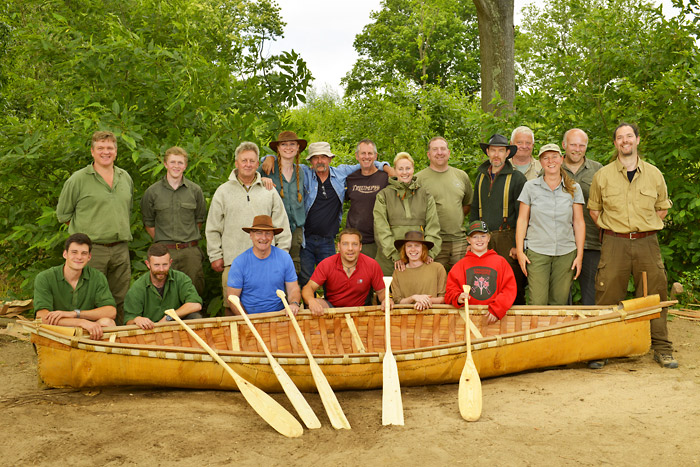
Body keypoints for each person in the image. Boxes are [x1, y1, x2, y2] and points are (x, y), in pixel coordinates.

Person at [588, 122, 677, 369]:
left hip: (647, 243)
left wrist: (643, 227)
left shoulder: (654, 174)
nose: (625, 141)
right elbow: (595, 211)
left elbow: (662, 208)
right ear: (615, 143)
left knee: (654, 295)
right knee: (607, 295)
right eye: (620, 137)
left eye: (629, 136)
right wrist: (616, 229)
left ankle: (661, 348)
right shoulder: (602, 176)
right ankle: (602, 349)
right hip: (614, 243)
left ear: (638, 140)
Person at [56, 130, 133, 324]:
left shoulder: (125, 178)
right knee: (88, 298)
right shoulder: (78, 179)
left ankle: (118, 341)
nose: (105, 152)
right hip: (91, 250)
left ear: (116, 151)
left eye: (110, 148)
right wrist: (86, 235)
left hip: (120, 249)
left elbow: (126, 210)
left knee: (121, 298)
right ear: (92, 151)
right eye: (100, 148)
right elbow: (64, 215)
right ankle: (87, 342)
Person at [206, 141, 291, 311]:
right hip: (233, 260)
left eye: (252, 161)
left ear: (257, 164)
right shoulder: (223, 191)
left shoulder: (269, 191)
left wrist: (282, 254)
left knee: (269, 306)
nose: (248, 164)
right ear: (236, 163)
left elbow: (282, 223)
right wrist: (215, 255)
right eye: (244, 160)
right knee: (233, 308)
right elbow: (213, 226)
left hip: (267, 260)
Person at [515, 144, 585, 306]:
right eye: (545, 158)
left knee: (559, 302)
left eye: (554, 157)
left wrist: (579, 255)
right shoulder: (530, 187)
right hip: (537, 252)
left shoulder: (574, 188)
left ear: (561, 159)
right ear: (540, 162)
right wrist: (519, 251)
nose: (550, 161)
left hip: (566, 252)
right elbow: (522, 220)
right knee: (537, 302)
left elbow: (579, 222)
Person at [470, 133, 528, 305]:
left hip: (507, 238)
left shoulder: (517, 178)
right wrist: (472, 237)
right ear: (487, 152)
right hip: (482, 239)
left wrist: (518, 246)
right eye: (493, 150)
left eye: (501, 151)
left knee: (512, 284)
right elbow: (474, 209)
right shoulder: (480, 177)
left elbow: (522, 216)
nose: (496, 154)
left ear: (507, 153)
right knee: (485, 284)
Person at [141, 146, 207, 295]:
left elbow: (199, 220)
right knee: (164, 292)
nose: (176, 166)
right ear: (165, 164)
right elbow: (148, 223)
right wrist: (164, 243)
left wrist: (186, 238)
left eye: (180, 163)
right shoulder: (152, 192)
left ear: (185, 165)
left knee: (194, 291)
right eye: (172, 162)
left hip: (190, 252)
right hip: (164, 253)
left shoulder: (195, 191)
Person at [33, 233, 116, 339]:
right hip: (57, 331)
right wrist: (80, 322)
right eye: (74, 252)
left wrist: (75, 314)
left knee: (108, 322)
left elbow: (111, 311)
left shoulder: (97, 276)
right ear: (65, 254)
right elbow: (42, 317)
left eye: (84, 253)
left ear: (89, 257)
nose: (79, 257)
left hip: (86, 333)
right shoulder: (45, 277)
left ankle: (97, 354)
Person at [374, 151, 441, 275]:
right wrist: (395, 255)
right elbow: (380, 228)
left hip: (420, 258)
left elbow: (433, 227)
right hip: (390, 259)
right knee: (391, 293)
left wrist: (429, 253)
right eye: (400, 169)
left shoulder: (425, 195)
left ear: (413, 169)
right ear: (395, 170)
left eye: (408, 168)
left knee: (419, 291)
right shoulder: (383, 195)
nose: (405, 172)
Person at [415, 137, 473, 272]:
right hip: (434, 242)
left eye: (442, 149)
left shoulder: (461, 176)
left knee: (462, 282)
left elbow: (467, 204)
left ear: (449, 152)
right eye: (435, 149)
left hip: (459, 241)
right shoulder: (419, 179)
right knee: (435, 284)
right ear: (429, 155)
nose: (439, 152)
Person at [301, 228, 388, 316]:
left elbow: (381, 292)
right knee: (315, 302)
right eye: (345, 244)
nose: (350, 249)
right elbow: (308, 288)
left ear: (360, 246)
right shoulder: (326, 264)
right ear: (338, 246)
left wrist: (386, 299)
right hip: (332, 311)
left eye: (354, 244)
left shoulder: (372, 265)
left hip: (362, 311)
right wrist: (311, 301)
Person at [561, 129, 603, 305]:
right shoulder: (553, 167)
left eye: (581, 145)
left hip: (591, 242)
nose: (577, 149)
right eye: (573, 144)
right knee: (561, 295)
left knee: (591, 295)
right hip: (560, 242)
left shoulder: (598, 169)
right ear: (564, 145)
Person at [227, 216, 301, 316]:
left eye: (268, 233)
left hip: (279, 316)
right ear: (251, 235)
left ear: (273, 237)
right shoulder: (239, 262)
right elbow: (232, 298)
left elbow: (293, 288)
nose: (263, 238)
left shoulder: (284, 258)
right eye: (258, 233)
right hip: (249, 317)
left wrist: (294, 303)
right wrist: (248, 320)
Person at [445, 221, 517, 323]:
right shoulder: (460, 265)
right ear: (468, 240)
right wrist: (458, 297)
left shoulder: (500, 262)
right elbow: (450, 292)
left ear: (489, 238)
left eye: (483, 236)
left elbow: (509, 290)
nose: (479, 240)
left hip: (493, 318)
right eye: (475, 237)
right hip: (467, 319)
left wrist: (497, 309)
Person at [258, 131, 307, 275]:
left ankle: (292, 297)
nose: (288, 147)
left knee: (293, 266)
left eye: (292, 144)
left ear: (298, 147)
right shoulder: (268, 169)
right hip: (274, 227)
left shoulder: (301, 171)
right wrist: (261, 179)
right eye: (284, 144)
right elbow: (246, 179)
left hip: (296, 228)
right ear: (278, 148)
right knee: (272, 266)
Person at [124, 244, 203, 330]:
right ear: (148, 264)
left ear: (170, 263)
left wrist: (169, 317)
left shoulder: (181, 278)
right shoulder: (138, 287)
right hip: (151, 330)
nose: (161, 269)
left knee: (195, 316)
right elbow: (128, 321)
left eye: (165, 264)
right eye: (156, 265)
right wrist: (137, 319)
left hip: (177, 327)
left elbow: (195, 304)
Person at [345, 139, 390, 259]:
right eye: (363, 153)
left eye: (370, 153)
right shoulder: (350, 179)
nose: (366, 157)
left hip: (377, 241)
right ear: (357, 156)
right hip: (354, 239)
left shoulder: (385, 178)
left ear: (375, 156)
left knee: (376, 276)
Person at [390, 231, 446, 310]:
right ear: (404, 249)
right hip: (406, 317)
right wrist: (413, 298)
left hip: (433, 316)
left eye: (417, 246)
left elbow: (443, 298)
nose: (413, 249)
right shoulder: (398, 272)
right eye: (409, 246)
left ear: (423, 248)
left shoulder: (437, 268)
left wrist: (424, 301)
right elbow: (397, 301)